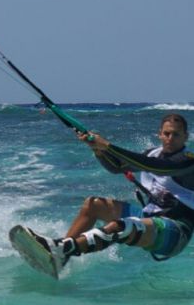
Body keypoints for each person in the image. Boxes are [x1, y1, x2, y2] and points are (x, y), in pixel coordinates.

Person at [29, 113, 194, 272]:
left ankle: (63, 248)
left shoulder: (188, 159)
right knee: (93, 205)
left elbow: (157, 167)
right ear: (160, 134)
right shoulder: (152, 154)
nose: (170, 138)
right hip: (148, 217)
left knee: (121, 227)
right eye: (166, 133)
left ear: (185, 137)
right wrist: (98, 150)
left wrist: (107, 145)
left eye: (176, 134)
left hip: (176, 230)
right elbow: (116, 167)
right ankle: (60, 259)